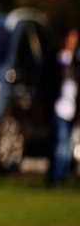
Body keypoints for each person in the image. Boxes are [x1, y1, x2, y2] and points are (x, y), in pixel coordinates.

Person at [44, 27, 79, 187]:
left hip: (72, 110)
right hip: (58, 109)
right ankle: (55, 179)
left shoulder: (76, 62)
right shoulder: (53, 59)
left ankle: (62, 177)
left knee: (66, 146)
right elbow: (45, 85)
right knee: (59, 145)